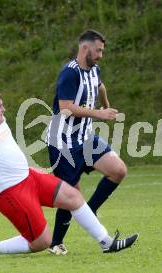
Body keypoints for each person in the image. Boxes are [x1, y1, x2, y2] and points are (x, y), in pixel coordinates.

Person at [0, 80, 138, 258]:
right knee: (42, 242)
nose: (3, 109)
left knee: (73, 196)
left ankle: (106, 242)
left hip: (28, 177)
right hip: (9, 192)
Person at [46, 29, 129, 255]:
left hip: (86, 139)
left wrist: (105, 104)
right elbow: (65, 108)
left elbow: (100, 86)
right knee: (71, 195)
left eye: (102, 50)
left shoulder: (94, 69)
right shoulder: (69, 73)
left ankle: (88, 212)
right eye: (98, 50)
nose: (101, 55)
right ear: (85, 48)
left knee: (118, 170)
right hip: (63, 143)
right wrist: (98, 114)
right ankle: (55, 243)